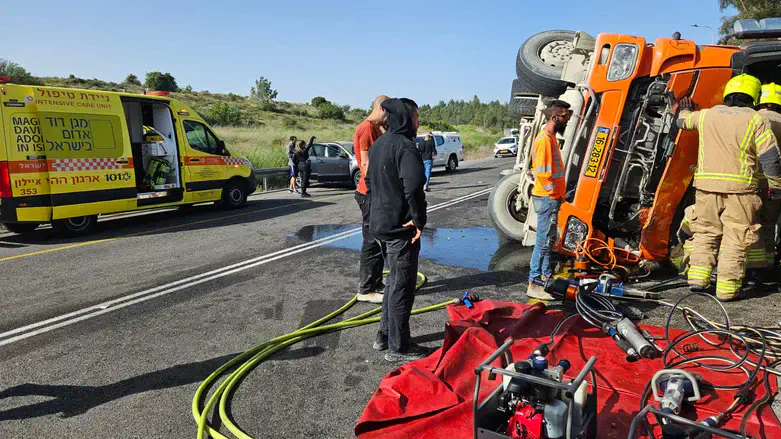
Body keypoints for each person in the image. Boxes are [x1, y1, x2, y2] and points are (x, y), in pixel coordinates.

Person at [675, 73, 781, 301]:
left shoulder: (706, 116)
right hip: (740, 191)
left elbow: (681, 122)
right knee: (736, 237)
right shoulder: (755, 120)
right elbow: (770, 158)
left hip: (705, 188)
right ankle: (727, 290)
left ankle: (698, 278)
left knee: (705, 231)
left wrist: (683, 108)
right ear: (754, 97)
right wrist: (776, 186)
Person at [365, 97, 429, 362]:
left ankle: (383, 335)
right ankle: (399, 347)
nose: (418, 123)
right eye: (416, 118)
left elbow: (369, 181)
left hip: (379, 225)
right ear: (406, 117)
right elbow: (414, 187)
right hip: (400, 229)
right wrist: (418, 220)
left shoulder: (379, 144)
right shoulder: (405, 147)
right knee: (402, 285)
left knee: (391, 283)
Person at [526, 100, 570, 300]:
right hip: (547, 198)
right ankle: (534, 281)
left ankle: (545, 277)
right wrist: (555, 194)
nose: (566, 120)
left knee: (548, 240)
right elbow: (543, 173)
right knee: (543, 242)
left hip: (551, 198)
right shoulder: (544, 139)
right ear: (554, 117)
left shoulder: (550, 138)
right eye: (564, 116)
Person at [354, 95, 390, 303]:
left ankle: (376, 283)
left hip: (373, 192)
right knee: (371, 241)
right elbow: (366, 164)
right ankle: (366, 290)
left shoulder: (377, 128)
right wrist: (379, 190)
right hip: (369, 192)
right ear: (382, 108)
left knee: (379, 240)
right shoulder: (367, 128)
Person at [748, 83, 781, 280]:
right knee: (769, 225)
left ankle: (751, 267)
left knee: (750, 223)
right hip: (776, 184)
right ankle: (766, 266)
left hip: (750, 182)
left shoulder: (752, 119)